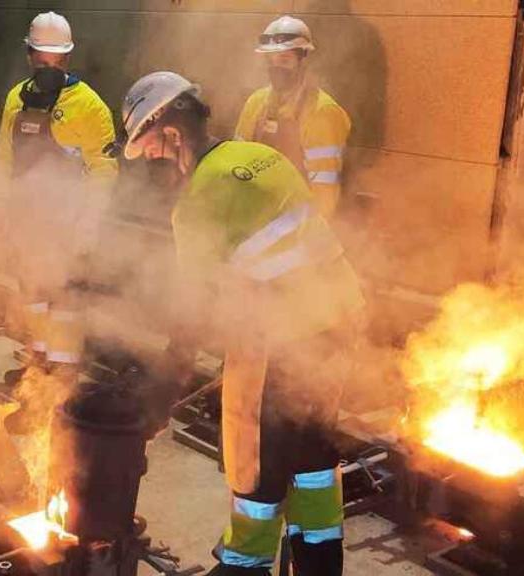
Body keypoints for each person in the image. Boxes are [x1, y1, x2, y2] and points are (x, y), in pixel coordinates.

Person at [121, 71, 365, 576]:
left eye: (150, 149)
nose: (150, 161)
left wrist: (159, 399)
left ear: (171, 132)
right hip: (338, 322)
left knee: (253, 460)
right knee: (312, 455)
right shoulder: (260, 156)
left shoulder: (198, 200)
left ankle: (244, 564)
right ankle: (320, 564)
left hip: (282, 339)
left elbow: (191, 316)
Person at [0, 11, 118, 393]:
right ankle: (36, 368)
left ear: (68, 59)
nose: (48, 66)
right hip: (28, 225)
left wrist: (88, 227)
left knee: (65, 305)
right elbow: (4, 158)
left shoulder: (90, 106)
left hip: (69, 228)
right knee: (32, 298)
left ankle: (62, 380)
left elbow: (104, 171)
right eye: (41, 58)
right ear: (29, 54)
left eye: (56, 59)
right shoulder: (17, 98)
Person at [234, 16, 351, 218]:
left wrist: (312, 239)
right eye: (271, 60)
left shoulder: (322, 112)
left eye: (284, 60)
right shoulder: (256, 102)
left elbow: (324, 190)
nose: (276, 67)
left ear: (303, 59)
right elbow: (237, 165)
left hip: (300, 221)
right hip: (259, 215)